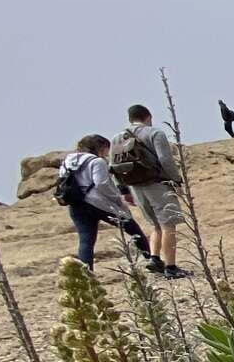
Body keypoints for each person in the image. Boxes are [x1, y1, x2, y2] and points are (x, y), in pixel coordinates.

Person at [112, 104, 189, 277]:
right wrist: (176, 181)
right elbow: (165, 159)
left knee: (156, 225)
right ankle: (171, 267)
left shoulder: (117, 138)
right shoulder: (155, 133)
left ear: (130, 118)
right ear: (148, 116)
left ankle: (154, 258)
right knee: (169, 225)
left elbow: (114, 166)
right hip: (158, 184)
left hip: (135, 187)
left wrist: (124, 191)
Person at [57, 135, 152, 270]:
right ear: (100, 148)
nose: (108, 153)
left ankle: (87, 275)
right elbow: (102, 184)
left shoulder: (67, 162)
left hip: (76, 204)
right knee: (134, 230)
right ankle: (151, 261)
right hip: (98, 203)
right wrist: (118, 200)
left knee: (86, 241)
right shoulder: (97, 162)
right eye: (107, 149)